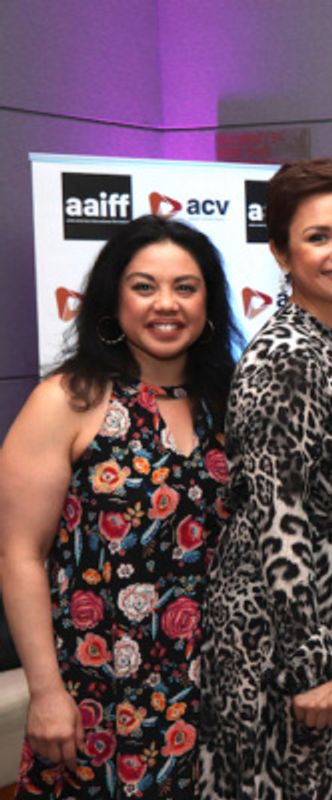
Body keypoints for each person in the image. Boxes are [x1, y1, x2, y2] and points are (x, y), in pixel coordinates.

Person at [0, 215, 239, 798]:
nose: (167, 304)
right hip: (96, 693)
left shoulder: (228, 401)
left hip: (217, 692)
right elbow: (19, 555)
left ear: (209, 301)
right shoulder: (67, 399)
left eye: (186, 287)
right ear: (114, 298)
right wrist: (48, 692)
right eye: (144, 286)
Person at [199, 158, 332, 798]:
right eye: (318, 237)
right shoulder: (284, 356)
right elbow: (274, 520)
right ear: (281, 253)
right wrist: (308, 666)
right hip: (283, 643)